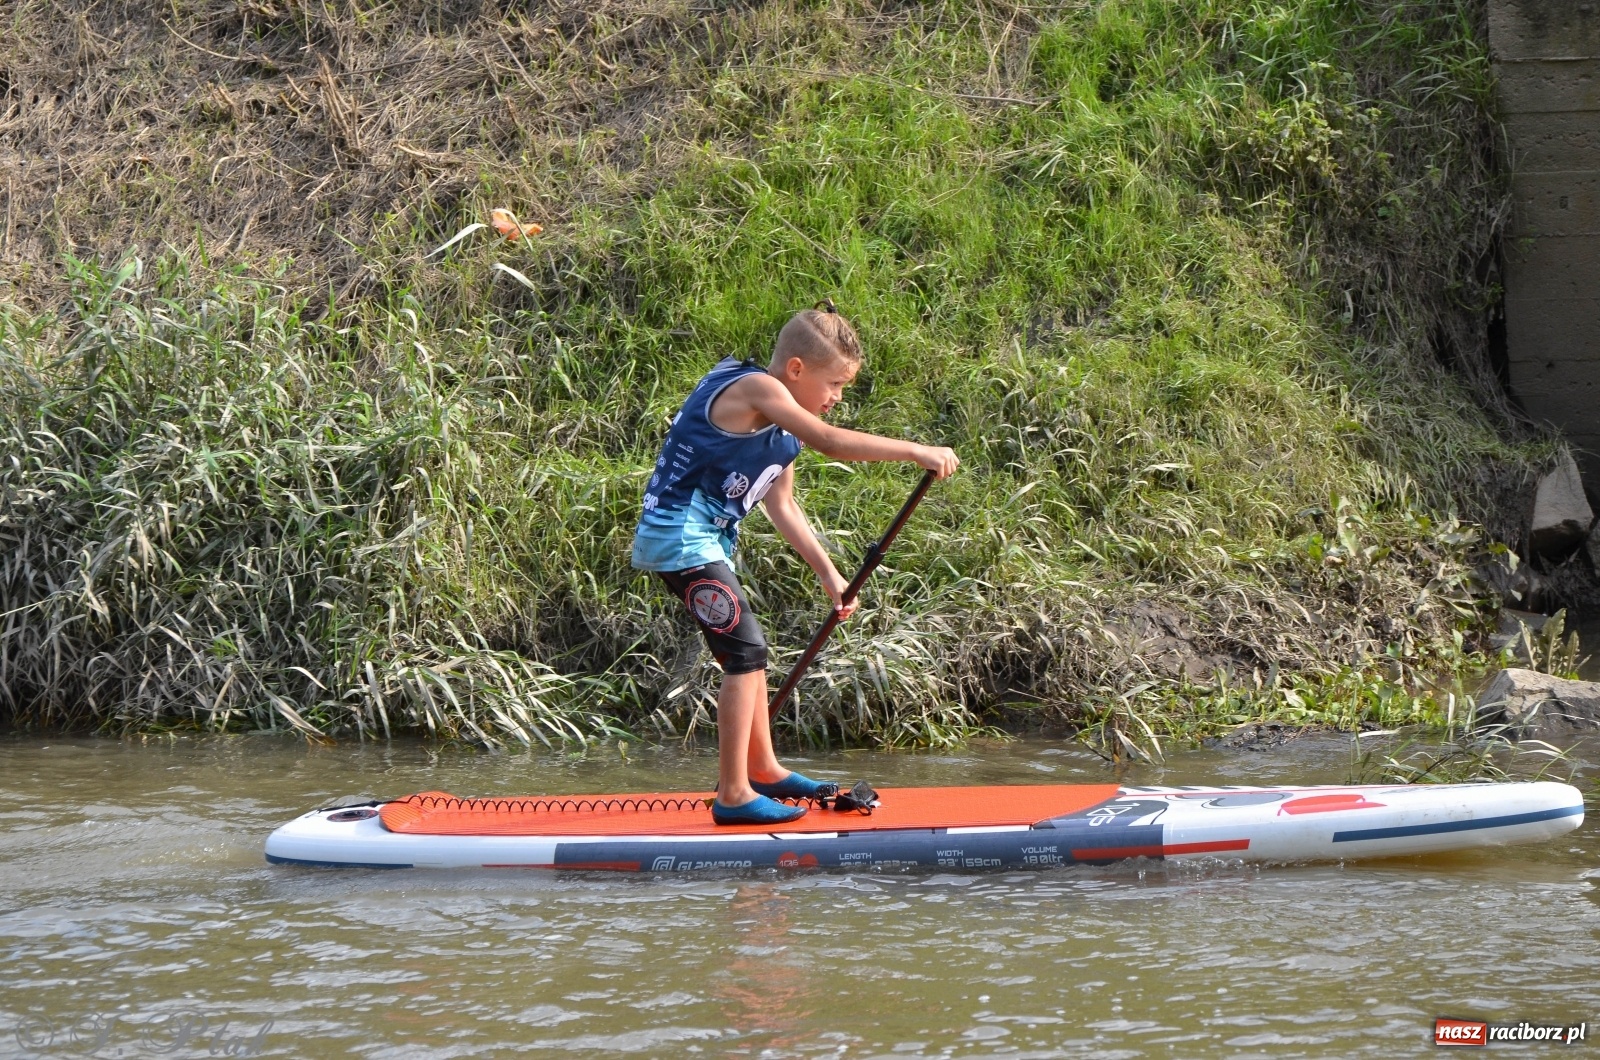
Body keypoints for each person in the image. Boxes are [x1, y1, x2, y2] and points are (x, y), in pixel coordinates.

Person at [632, 300, 959, 825]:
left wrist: (831, 575)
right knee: (747, 651)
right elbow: (831, 444)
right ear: (796, 369)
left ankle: (763, 770)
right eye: (833, 385)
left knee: (747, 652)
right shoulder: (756, 388)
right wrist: (915, 450)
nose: (837, 398)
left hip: (706, 544)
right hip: (678, 539)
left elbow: (781, 505)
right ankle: (733, 795)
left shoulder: (783, 432)